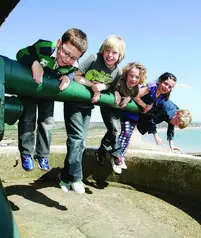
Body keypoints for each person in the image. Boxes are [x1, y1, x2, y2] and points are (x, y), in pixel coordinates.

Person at [59, 35, 125, 194]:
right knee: (77, 139)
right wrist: (93, 86)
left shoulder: (117, 71)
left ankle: (65, 176)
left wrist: (110, 90)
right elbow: (76, 75)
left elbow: (111, 86)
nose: (110, 55)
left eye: (114, 52)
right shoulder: (93, 58)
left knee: (80, 142)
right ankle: (76, 177)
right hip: (73, 102)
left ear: (120, 55)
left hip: (88, 106)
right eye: (107, 51)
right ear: (103, 50)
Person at [16, 28, 88, 172]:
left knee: (47, 123)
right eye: (66, 52)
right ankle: (26, 154)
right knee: (27, 118)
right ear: (59, 43)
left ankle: (42, 155)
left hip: (47, 93)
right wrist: (34, 63)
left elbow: (74, 72)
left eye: (73, 58)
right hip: (29, 89)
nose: (67, 59)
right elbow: (21, 53)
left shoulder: (73, 64)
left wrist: (69, 77)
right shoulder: (44, 47)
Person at [136, 72, 192, 151]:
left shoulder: (176, 114)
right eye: (176, 121)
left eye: (177, 124)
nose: (175, 124)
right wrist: (156, 135)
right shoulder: (167, 110)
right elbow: (152, 118)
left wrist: (171, 145)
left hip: (151, 108)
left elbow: (171, 127)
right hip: (146, 104)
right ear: (177, 114)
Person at [110, 62, 148, 174]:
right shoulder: (120, 81)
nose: (134, 79)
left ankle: (121, 156)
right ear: (126, 74)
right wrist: (116, 93)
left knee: (127, 136)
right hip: (121, 113)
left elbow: (133, 94)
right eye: (131, 75)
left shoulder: (136, 88)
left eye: (137, 77)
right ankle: (116, 157)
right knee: (122, 133)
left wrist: (128, 98)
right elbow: (112, 86)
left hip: (132, 115)